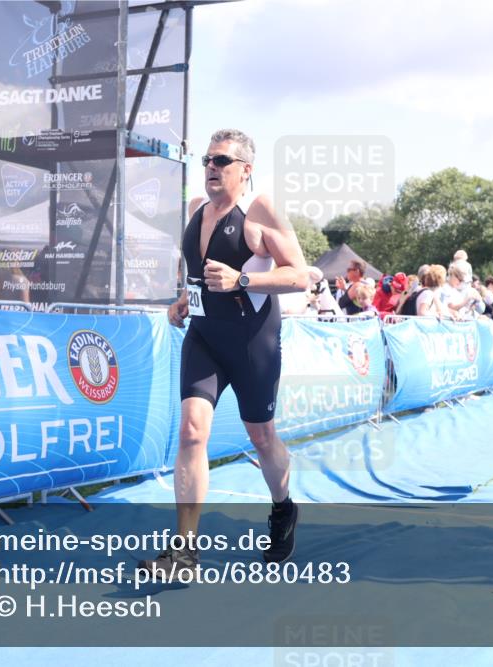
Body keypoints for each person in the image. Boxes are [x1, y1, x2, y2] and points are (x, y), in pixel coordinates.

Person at [141, 129, 308, 576]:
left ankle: (282, 508)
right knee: (193, 432)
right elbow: (196, 276)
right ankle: (184, 551)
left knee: (262, 437)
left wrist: (243, 280)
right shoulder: (196, 209)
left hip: (253, 340)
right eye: (207, 162)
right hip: (205, 336)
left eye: (221, 162)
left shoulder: (261, 210)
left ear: (245, 170)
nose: (211, 169)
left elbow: (300, 275)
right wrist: (183, 299)